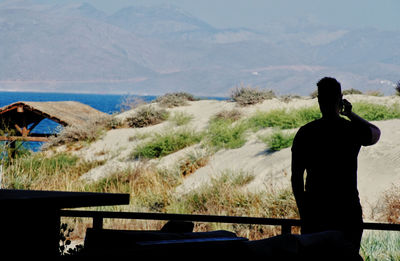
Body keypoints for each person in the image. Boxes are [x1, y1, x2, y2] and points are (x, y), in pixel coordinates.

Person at [291, 77, 381, 255]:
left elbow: (296, 177)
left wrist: (304, 212)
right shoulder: (350, 130)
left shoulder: (306, 132)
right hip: (347, 211)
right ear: (340, 99)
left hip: (316, 213)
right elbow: (375, 134)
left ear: (319, 100)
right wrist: (350, 114)